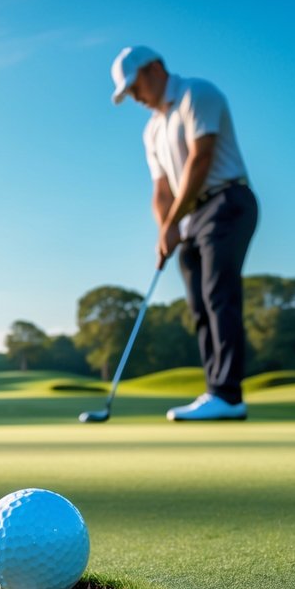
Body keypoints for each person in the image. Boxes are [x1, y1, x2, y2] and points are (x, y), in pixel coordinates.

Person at [110, 45, 259, 421]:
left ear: (155, 68)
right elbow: (160, 190)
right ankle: (216, 390)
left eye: (135, 87)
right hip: (192, 215)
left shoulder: (197, 93)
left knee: (218, 293)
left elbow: (201, 158)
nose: (135, 97)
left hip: (227, 200)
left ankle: (228, 394)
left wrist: (174, 220)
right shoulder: (152, 131)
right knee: (199, 305)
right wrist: (164, 230)